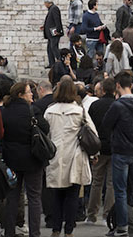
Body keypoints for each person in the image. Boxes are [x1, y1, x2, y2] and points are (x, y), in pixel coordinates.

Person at [101, 72, 133, 237]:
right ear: (131, 85)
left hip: (120, 150)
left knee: (121, 190)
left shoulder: (117, 106)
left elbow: (105, 125)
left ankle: (122, 226)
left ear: (117, 86)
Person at [45, 78, 95, 237]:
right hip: (75, 155)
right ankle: (69, 230)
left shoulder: (49, 111)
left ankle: (56, 229)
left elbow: (46, 134)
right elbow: (92, 132)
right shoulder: (80, 111)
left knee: (57, 195)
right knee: (72, 195)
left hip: (56, 154)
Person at [0, 82, 49, 237]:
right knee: (34, 197)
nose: (32, 95)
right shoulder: (33, 111)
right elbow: (45, 128)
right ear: (21, 94)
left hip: (12, 159)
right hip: (33, 159)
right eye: (29, 92)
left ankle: (9, 231)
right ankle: (35, 233)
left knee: (13, 197)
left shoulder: (4, 111)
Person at [86, 79, 116, 223]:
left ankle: (91, 214)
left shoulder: (95, 105)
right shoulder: (117, 105)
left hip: (99, 147)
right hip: (114, 147)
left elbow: (90, 126)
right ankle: (107, 215)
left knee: (96, 182)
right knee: (111, 183)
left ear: (103, 90)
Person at [43, 0, 63, 68]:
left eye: (45, 3)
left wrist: (58, 30)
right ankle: (52, 63)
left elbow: (57, 19)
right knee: (49, 48)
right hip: (50, 34)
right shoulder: (51, 9)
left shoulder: (54, 8)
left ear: (48, 3)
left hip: (54, 33)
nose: (45, 5)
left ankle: (60, 61)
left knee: (54, 47)